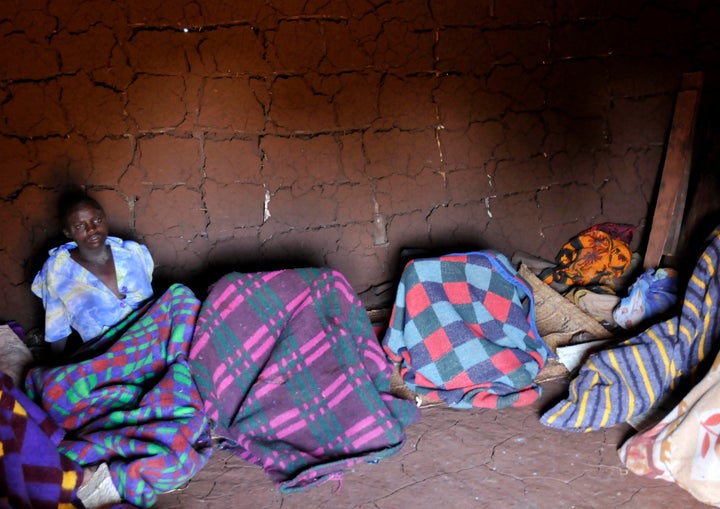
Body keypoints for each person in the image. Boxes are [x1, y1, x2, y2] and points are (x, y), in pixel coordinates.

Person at [31, 191, 154, 354]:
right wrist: (57, 367)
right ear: (68, 233)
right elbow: (57, 327)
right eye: (80, 226)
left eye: (97, 220)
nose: (92, 229)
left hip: (154, 336)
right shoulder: (57, 270)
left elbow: (153, 300)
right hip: (109, 354)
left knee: (180, 294)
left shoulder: (132, 252)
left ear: (105, 219)